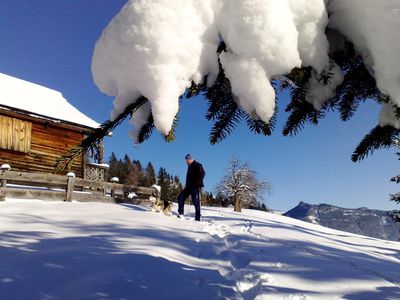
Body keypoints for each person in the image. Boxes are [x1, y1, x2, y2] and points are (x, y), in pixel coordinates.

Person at [177, 154, 205, 221]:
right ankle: (181, 213)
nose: (186, 162)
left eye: (186, 161)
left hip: (195, 187)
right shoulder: (189, 166)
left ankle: (197, 218)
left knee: (196, 202)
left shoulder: (198, 165)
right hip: (188, 187)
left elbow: (203, 173)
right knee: (180, 197)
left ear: (190, 159)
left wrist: (198, 183)